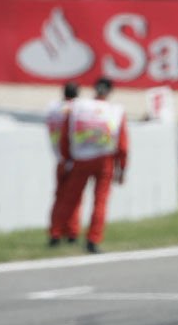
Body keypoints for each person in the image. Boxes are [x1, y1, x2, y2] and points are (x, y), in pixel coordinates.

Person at [52, 78, 129, 253]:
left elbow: (65, 135)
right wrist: (122, 168)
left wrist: (66, 158)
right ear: (109, 92)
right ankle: (92, 240)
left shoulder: (78, 106)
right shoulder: (116, 110)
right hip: (105, 160)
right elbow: (123, 144)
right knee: (100, 201)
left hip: (80, 158)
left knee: (69, 197)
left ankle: (56, 234)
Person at [46, 81, 82, 246]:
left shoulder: (53, 108)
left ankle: (55, 232)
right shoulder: (77, 110)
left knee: (59, 198)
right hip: (73, 158)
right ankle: (72, 232)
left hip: (58, 157)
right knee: (74, 198)